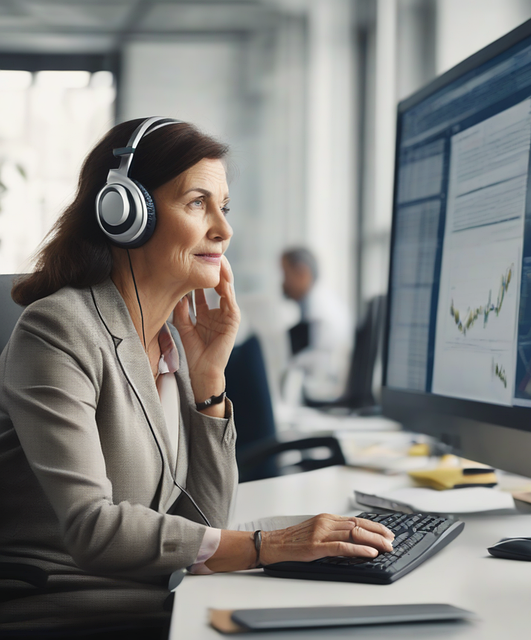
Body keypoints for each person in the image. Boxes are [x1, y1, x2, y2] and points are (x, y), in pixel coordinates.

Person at [0, 118, 394, 636]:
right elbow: (91, 528)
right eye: (196, 203)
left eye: (223, 207)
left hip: (162, 599)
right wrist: (267, 546)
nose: (223, 230)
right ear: (124, 213)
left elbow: (205, 522)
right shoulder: (58, 329)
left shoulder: (171, 344)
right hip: (74, 610)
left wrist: (209, 380)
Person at [281, 247, 352, 402]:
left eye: (286, 274)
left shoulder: (320, 310)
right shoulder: (316, 302)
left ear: (302, 273)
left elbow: (320, 362)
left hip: (325, 391)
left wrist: (287, 364)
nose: (283, 283)